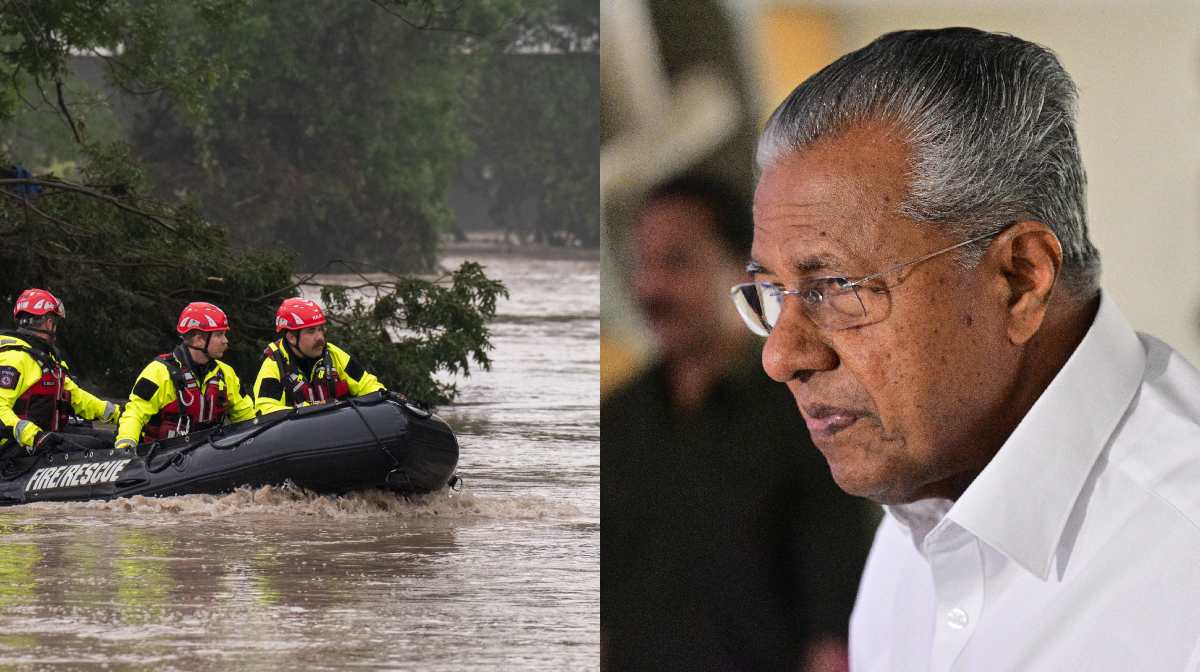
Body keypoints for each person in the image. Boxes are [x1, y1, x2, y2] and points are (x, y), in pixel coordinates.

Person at [735, 27, 1200, 671]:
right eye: (771, 292)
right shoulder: (915, 530)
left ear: (1019, 280)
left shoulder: (1184, 557)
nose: (782, 356)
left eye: (837, 287)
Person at [603, 176, 876, 671]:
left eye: (677, 262)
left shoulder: (806, 411)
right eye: (643, 264)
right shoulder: (616, 422)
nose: (651, 287)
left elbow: (837, 616)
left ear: (742, 270)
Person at [115, 302, 254, 449]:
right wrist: (126, 445)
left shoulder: (226, 374)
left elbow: (247, 416)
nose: (226, 341)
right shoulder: (159, 372)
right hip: (161, 459)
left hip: (210, 456)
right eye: (219, 335)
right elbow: (135, 413)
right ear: (199, 339)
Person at [0, 289, 121, 454]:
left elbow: (76, 397)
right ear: (48, 323)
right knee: (100, 447)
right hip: (15, 447)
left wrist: (117, 413)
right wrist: (34, 436)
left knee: (111, 439)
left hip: (46, 438)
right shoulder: (14, 359)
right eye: (54, 322)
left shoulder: (47, 360)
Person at [252, 297, 384, 416]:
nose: (320, 337)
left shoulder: (333, 354)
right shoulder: (274, 366)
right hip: (300, 438)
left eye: (320, 329)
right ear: (292, 337)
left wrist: (383, 397)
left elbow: (368, 385)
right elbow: (266, 411)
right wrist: (308, 410)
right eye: (311, 331)